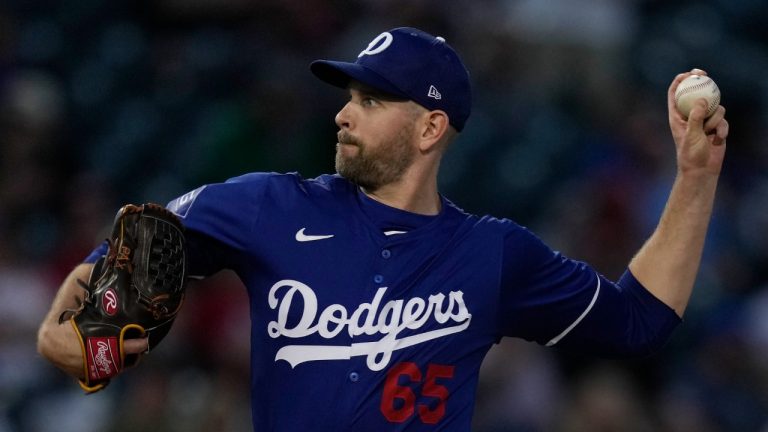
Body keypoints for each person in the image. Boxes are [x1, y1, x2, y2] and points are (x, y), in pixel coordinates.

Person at [37, 27, 728, 430]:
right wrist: (82, 337)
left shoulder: (493, 254)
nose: (343, 115)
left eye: (370, 100)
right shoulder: (265, 207)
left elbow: (640, 322)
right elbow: (88, 320)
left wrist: (695, 177)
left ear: (431, 127)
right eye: (346, 98)